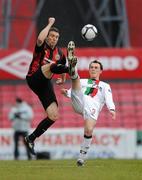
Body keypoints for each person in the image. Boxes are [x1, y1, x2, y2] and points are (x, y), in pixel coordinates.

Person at [61, 41, 116, 166]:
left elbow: (109, 98)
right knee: (76, 80)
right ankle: (72, 67)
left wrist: (112, 109)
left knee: (89, 130)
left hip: (92, 107)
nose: (93, 69)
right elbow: (74, 91)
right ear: (89, 69)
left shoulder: (104, 85)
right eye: (92, 67)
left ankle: (81, 158)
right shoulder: (84, 81)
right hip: (79, 101)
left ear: (101, 71)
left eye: (96, 67)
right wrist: (67, 93)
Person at [25, 17, 69, 155]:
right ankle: (72, 69)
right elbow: (39, 40)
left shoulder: (60, 53)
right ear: (48, 36)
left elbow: (62, 65)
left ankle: (31, 138)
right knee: (51, 66)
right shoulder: (41, 46)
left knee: (54, 116)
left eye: (56, 37)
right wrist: (50, 23)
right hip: (34, 78)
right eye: (52, 36)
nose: (54, 38)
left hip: (45, 83)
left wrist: (62, 79)